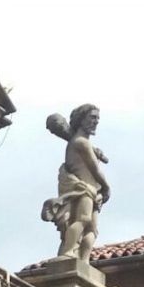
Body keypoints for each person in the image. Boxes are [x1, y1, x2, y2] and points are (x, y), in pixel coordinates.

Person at [42, 104, 111, 262]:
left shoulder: (84, 144)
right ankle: (67, 252)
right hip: (83, 189)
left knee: (92, 230)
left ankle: (84, 262)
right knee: (83, 220)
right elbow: (95, 170)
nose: (96, 122)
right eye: (92, 117)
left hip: (93, 191)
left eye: (97, 119)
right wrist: (107, 187)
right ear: (81, 119)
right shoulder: (81, 143)